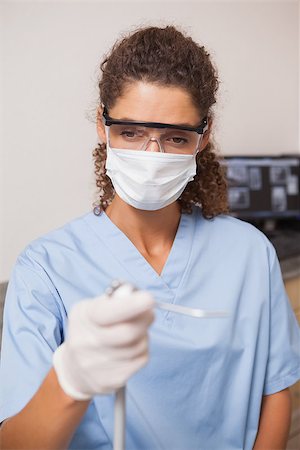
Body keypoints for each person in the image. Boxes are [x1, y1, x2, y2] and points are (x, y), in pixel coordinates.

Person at [0, 25, 300, 450]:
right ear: (103, 127)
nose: (151, 157)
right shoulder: (45, 269)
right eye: (131, 133)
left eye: (176, 138)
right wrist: (72, 378)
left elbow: (275, 391)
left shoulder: (248, 252)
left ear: (204, 136)